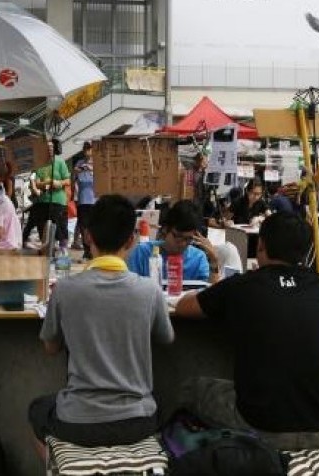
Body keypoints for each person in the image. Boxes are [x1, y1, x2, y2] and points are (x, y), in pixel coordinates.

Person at [174, 212, 319, 450]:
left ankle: (211, 456)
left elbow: (184, 308)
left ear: (262, 244)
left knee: (190, 389)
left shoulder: (242, 286)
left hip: (264, 426)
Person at [28, 194, 175, 456]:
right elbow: (166, 338)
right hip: (138, 421)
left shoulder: (64, 289)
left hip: (78, 422)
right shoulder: (149, 290)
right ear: (131, 240)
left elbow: (50, 348)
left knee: (37, 410)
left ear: (87, 236)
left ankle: (59, 467)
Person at [127, 200, 220, 283]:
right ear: (165, 229)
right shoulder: (142, 253)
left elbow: (209, 296)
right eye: (178, 237)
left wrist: (214, 261)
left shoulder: (198, 258)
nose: (183, 243)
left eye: (188, 239)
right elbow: (132, 289)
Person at [27, 138, 71, 250]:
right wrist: (47, 183)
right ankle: (47, 249)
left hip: (58, 200)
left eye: (52, 147)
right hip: (42, 200)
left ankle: (62, 249)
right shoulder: (39, 163)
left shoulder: (60, 162)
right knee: (42, 227)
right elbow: (35, 183)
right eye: (48, 148)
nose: (50, 149)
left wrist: (59, 183)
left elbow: (67, 180)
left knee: (59, 226)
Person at [73, 142, 96, 260]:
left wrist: (91, 169)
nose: (87, 151)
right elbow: (74, 177)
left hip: (95, 200)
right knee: (83, 226)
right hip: (82, 199)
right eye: (85, 149)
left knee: (94, 226)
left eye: (89, 149)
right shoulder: (79, 163)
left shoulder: (98, 163)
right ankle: (87, 250)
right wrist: (78, 171)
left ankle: (94, 249)